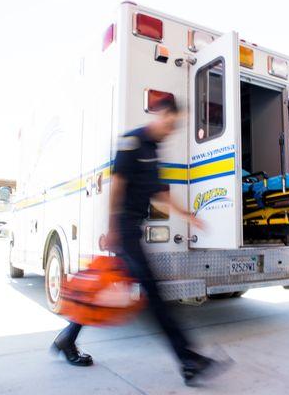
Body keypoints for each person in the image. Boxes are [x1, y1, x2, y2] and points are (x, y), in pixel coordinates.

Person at [52, 97, 230, 386]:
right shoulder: (131, 142)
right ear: (160, 115)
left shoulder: (154, 150)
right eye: (169, 123)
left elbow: (160, 194)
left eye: (175, 126)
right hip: (124, 228)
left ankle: (67, 339)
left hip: (133, 229)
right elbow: (118, 186)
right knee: (154, 295)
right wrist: (112, 228)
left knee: (103, 287)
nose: (171, 130)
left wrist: (187, 215)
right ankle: (187, 360)